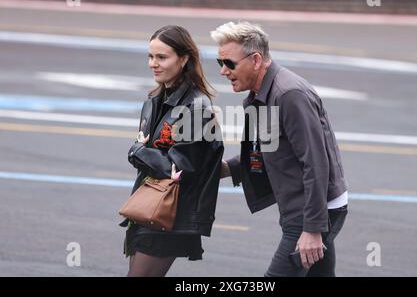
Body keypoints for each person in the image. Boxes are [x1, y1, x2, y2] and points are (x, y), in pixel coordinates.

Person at [211, 21, 348, 277]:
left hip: (313, 210)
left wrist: (313, 228)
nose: (223, 71)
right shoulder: (263, 94)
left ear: (255, 59)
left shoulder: (288, 95)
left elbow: (316, 162)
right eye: (220, 63)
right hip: (307, 206)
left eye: (229, 63)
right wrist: (226, 169)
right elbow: (268, 152)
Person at [120, 25, 224, 277]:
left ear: (184, 58)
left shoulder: (196, 106)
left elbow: (179, 167)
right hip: (146, 208)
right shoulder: (154, 100)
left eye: (161, 57)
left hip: (170, 214)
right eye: (151, 56)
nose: (153, 63)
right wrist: (143, 152)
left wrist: (138, 152)